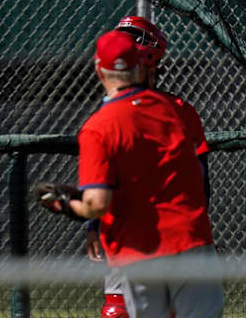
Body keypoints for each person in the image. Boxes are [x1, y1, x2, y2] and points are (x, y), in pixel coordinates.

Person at [70, 30, 223, 317]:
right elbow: (199, 179)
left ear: (98, 70)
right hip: (186, 238)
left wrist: (72, 208)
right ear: (141, 67)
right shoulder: (172, 110)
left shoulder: (100, 124)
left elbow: (97, 201)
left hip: (138, 245)